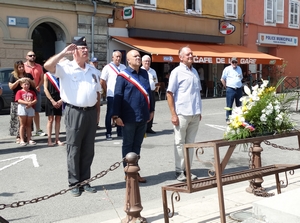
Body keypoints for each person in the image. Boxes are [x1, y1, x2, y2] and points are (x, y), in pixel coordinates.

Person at [44, 36, 101, 197]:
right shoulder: (65, 67)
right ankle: (74, 183)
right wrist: (63, 52)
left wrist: (97, 114)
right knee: (74, 148)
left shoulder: (92, 70)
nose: (85, 50)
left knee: (88, 149)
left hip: (90, 112)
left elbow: (97, 94)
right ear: (74, 51)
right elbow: (47, 66)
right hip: (73, 111)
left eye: (86, 47)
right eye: (81, 48)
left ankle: (85, 180)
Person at [112, 49, 154, 183]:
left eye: (139, 56)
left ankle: (135, 171)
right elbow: (117, 96)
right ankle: (128, 172)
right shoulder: (122, 76)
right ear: (128, 60)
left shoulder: (144, 73)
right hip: (128, 117)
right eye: (135, 56)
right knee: (128, 145)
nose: (138, 58)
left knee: (137, 145)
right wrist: (115, 116)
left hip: (143, 116)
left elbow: (149, 92)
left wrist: (151, 110)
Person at [166, 46, 202, 182]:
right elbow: (169, 93)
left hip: (195, 114)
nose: (191, 56)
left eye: (192, 53)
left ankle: (188, 170)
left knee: (190, 143)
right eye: (188, 54)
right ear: (180, 57)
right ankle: (179, 170)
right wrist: (173, 114)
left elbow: (197, 93)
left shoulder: (195, 72)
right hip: (182, 113)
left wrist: (199, 111)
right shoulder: (176, 72)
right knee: (179, 142)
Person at [100, 51, 126, 140]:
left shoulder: (123, 67)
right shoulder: (107, 68)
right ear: (112, 57)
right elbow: (102, 81)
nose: (118, 58)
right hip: (112, 95)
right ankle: (108, 133)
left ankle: (120, 131)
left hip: (121, 95)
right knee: (110, 114)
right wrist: (107, 90)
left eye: (119, 57)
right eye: (116, 57)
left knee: (120, 113)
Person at [9, 61, 36, 143]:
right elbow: (11, 87)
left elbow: (34, 85)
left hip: (29, 99)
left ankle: (28, 137)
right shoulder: (13, 75)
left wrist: (29, 80)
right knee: (17, 120)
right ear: (16, 68)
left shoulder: (28, 75)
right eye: (19, 67)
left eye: (22, 66)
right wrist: (18, 81)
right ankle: (19, 137)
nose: (21, 68)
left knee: (28, 120)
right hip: (17, 99)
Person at [24, 51, 46, 136]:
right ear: (27, 57)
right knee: (25, 111)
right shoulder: (23, 66)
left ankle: (38, 130)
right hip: (26, 91)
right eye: (30, 55)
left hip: (37, 91)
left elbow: (42, 78)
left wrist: (39, 86)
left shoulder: (39, 66)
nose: (32, 56)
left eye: (34, 55)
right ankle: (25, 131)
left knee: (36, 111)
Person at [44, 68, 64, 147]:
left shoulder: (61, 75)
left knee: (58, 119)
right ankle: (49, 139)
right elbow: (45, 89)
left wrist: (61, 100)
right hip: (50, 99)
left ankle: (57, 139)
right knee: (50, 120)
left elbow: (65, 88)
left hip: (59, 99)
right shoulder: (47, 75)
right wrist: (52, 100)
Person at [220, 57, 243, 125]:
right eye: (233, 62)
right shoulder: (227, 69)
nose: (234, 64)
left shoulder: (239, 68)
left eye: (235, 62)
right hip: (230, 89)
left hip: (238, 89)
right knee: (229, 105)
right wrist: (226, 87)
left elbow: (241, 77)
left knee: (239, 105)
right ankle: (228, 118)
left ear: (237, 62)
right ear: (230, 62)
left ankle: (238, 118)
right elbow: (222, 79)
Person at [15, 79, 37, 146]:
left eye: (28, 84)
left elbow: (35, 100)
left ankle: (29, 139)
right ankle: (22, 139)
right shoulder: (19, 92)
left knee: (29, 124)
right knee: (22, 124)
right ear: (21, 85)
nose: (27, 86)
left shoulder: (32, 92)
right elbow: (18, 100)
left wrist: (31, 104)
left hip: (30, 108)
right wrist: (27, 103)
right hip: (22, 108)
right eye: (25, 84)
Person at [141, 55, 158, 134]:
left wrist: (156, 88)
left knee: (152, 109)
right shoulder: (140, 70)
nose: (147, 63)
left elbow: (155, 81)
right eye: (146, 61)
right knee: (144, 109)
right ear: (142, 62)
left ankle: (149, 127)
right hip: (143, 93)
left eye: (148, 61)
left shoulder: (153, 71)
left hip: (151, 92)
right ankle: (143, 128)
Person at [90, 57, 102, 129]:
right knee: (91, 108)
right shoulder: (89, 70)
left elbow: (101, 81)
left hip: (97, 91)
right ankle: (91, 123)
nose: (95, 64)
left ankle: (96, 123)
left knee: (97, 108)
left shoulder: (98, 72)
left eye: (96, 62)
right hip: (91, 91)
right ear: (90, 62)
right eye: (93, 62)